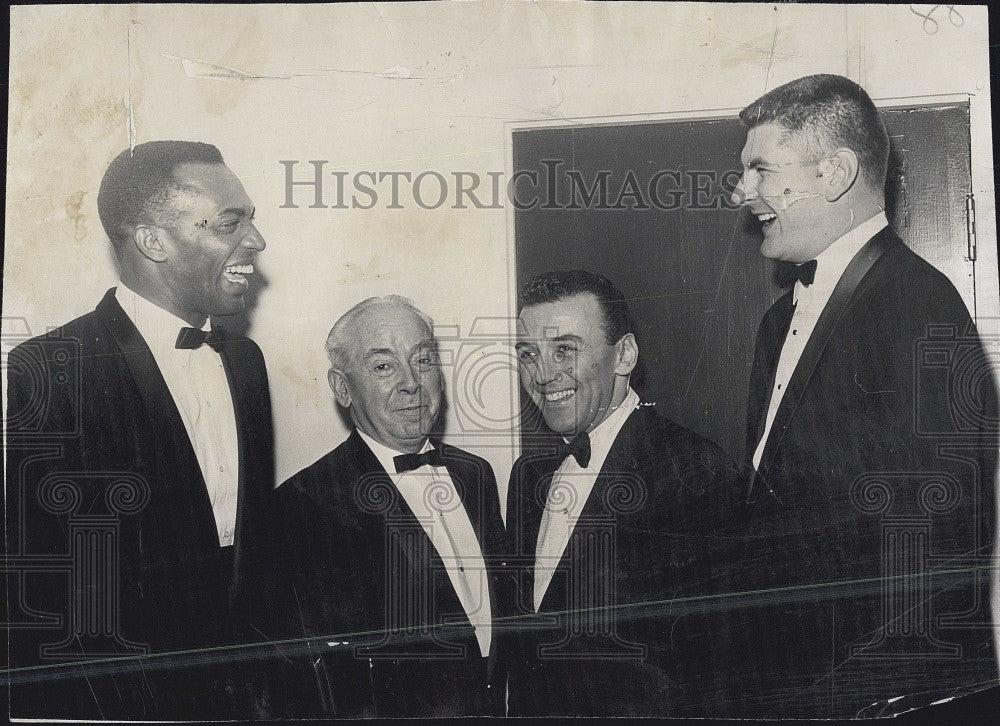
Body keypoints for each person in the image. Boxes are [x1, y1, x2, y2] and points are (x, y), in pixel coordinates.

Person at [732, 74, 998, 717]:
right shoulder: (777, 322)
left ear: (835, 172)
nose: (743, 193)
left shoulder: (919, 304)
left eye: (761, 169)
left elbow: (936, 548)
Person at [5, 141, 283, 719]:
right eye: (230, 223)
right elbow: (44, 593)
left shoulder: (247, 363)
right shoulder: (54, 368)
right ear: (153, 240)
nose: (255, 242)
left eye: (251, 221)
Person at [505, 270, 742, 717]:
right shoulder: (528, 477)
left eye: (565, 350)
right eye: (528, 354)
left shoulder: (693, 469)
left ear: (625, 354)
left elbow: (718, 671)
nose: (544, 374)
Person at [275, 295, 510, 717]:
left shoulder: (476, 475)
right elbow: (319, 685)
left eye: (423, 361)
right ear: (342, 388)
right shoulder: (305, 504)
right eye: (384, 366)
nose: (411, 383)